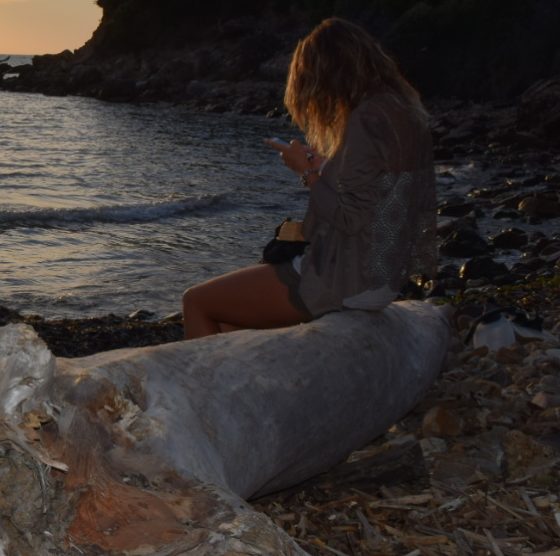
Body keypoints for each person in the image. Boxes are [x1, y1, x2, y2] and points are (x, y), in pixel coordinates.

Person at [182, 18, 437, 339]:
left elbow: (352, 218)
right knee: (230, 322)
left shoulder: (365, 122)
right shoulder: (398, 114)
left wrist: (307, 172)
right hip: (383, 278)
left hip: (342, 280)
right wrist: (327, 164)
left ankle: (202, 389)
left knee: (196, 301)